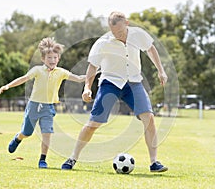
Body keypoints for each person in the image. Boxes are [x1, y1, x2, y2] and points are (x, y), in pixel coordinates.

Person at [61, 11, 168, 172]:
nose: (116, 35)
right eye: (113, 32)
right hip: (110, 83)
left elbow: (151, 49)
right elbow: (92, 67)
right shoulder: (102, 43)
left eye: (119, 31)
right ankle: (72, 158)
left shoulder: (138, 35)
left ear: (127, 23)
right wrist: (87, 88)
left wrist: (161, 70)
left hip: (133, 82)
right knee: (93, 124)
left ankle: (154, 162)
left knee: (149, 118)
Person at [0, 37, 85, 168]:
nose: (52, 60)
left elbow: (78, 79)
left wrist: (91, 75)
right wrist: (7, 86)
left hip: (48, 108)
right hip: (33, 106)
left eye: (55, 58)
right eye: (49, 58)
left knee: (47, 133)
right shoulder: (37, 70)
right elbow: (23, 78)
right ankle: (18, 138)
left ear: (58, 59)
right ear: (43, 59)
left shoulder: (61, 72)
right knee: (27, 133)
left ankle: (42, 160)